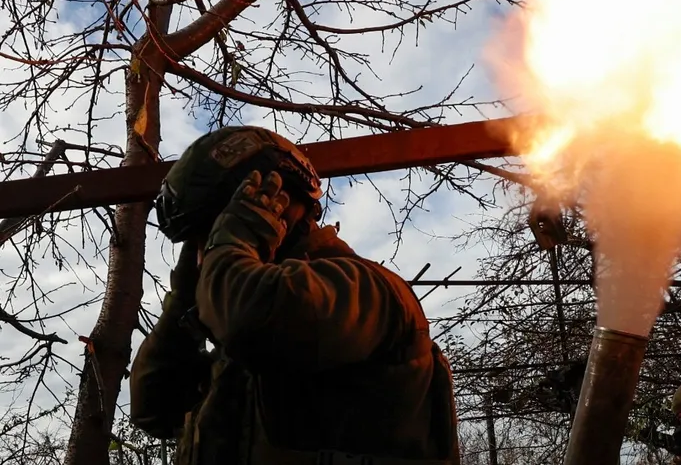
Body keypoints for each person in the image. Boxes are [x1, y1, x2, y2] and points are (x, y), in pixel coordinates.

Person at [129, 126, 460, 465]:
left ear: (275, 205)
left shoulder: (364, 289)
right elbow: (154, 409)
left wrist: (234, 243)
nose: (203, 257)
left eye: (211, 237)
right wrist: (183, 300)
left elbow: (250, 319)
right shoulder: (246, 336)